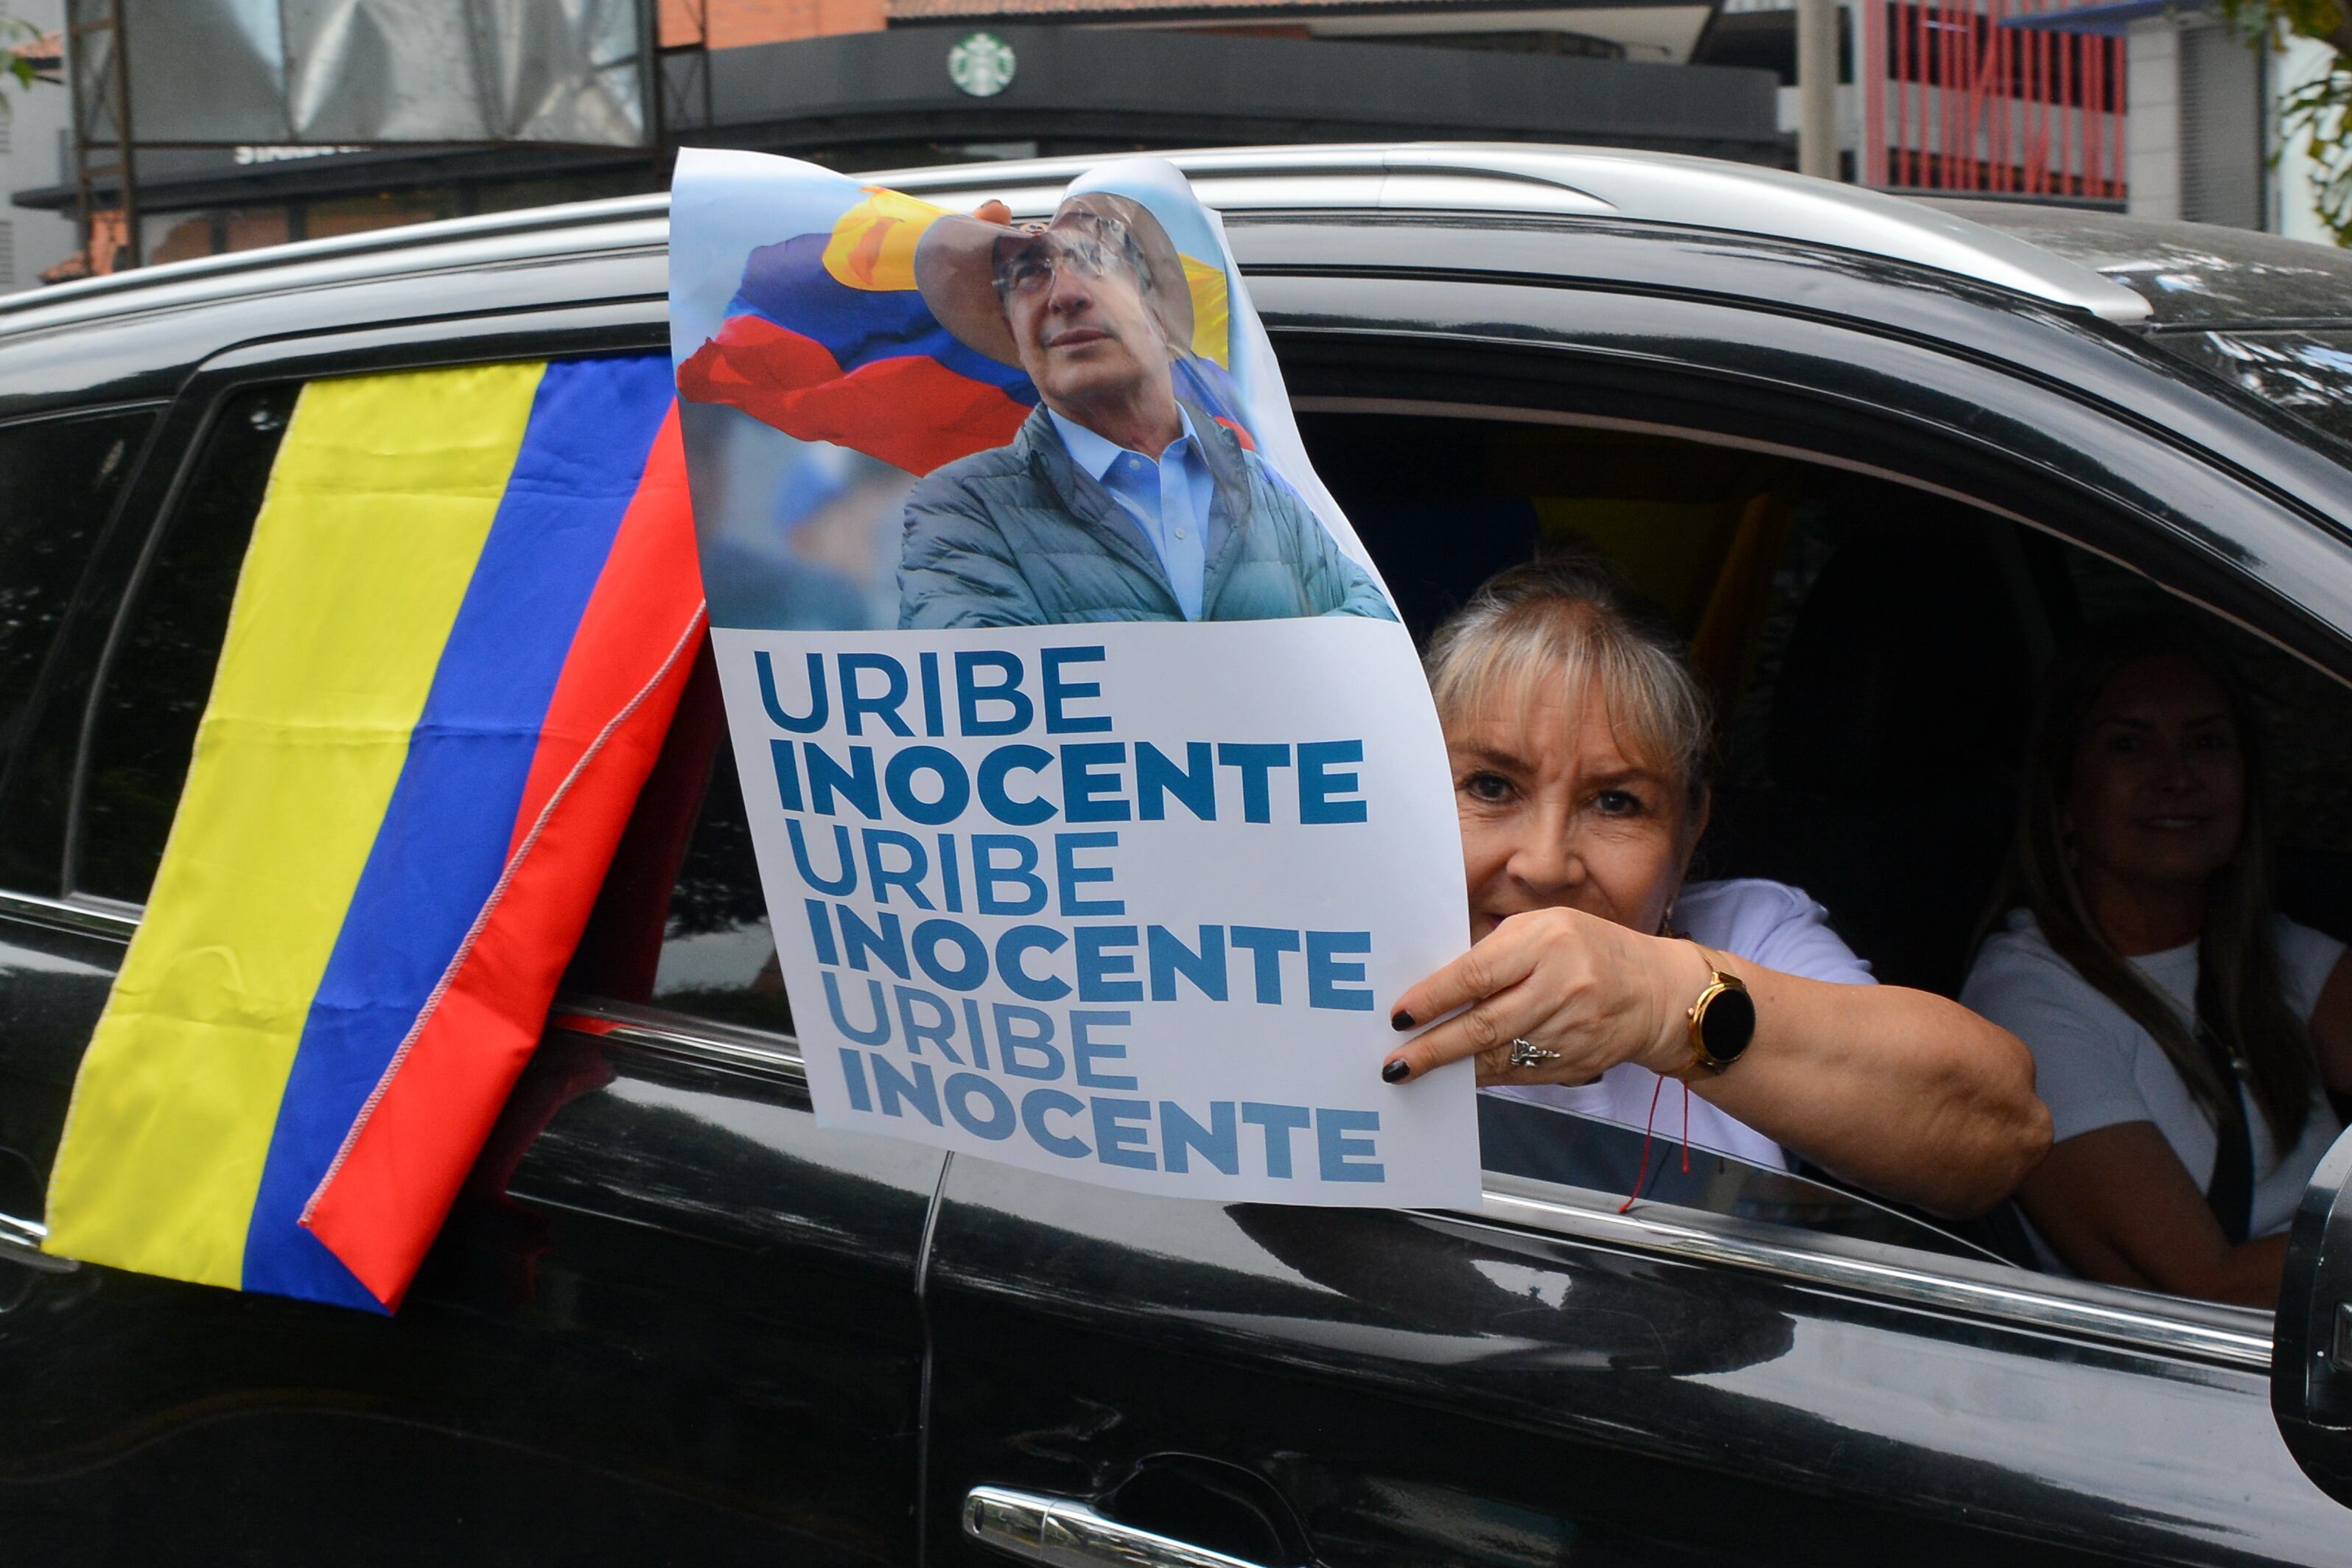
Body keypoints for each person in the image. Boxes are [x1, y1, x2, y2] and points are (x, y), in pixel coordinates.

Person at [1379, 555, 2051, 1219]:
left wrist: (1669, 1006)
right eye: (1491, 787)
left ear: (1688, 831)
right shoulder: (1340, 959)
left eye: (1615, 802)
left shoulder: (1749, 935)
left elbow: (2004, 1132)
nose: (1547, 863)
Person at [1960, 622, 2352, 1306]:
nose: (2177, 777)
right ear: (2065, 800)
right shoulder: (2026, 1004)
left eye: (2207, 743)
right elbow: (2202, 1287)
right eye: (2130, 745)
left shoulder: (2270, 951)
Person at [895, 193, 1394, 629]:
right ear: (1013, 334)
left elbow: (1373, 645)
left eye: (1094, 260)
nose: (1064, 295)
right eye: (1029, 275)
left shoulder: (1265, 489)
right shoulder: (962, 508)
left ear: (1157, 310)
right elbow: (981, 683)